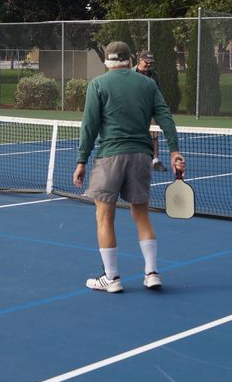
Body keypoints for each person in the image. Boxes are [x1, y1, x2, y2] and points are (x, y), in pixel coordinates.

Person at [73, 41, 185, 293]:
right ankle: (152, 273)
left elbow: (89, 126)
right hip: (141, 156)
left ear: (107, 61)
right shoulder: (148, 84)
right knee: (141, 214)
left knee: (104, 216)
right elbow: (165, 115)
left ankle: (111, 279)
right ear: (130, 60)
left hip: (110, 156)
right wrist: (175, 149)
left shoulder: (98, 84)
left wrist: (81, 161)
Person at [133, 50, 166, 171]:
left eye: (150, 63)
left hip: (150, 109)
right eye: (146, 62)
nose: (149, 65)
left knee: (154, 134)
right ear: (140, 60)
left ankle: (155, 160)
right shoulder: (130, 73)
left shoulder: (154, 75)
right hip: (134, 111)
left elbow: (158, 92)